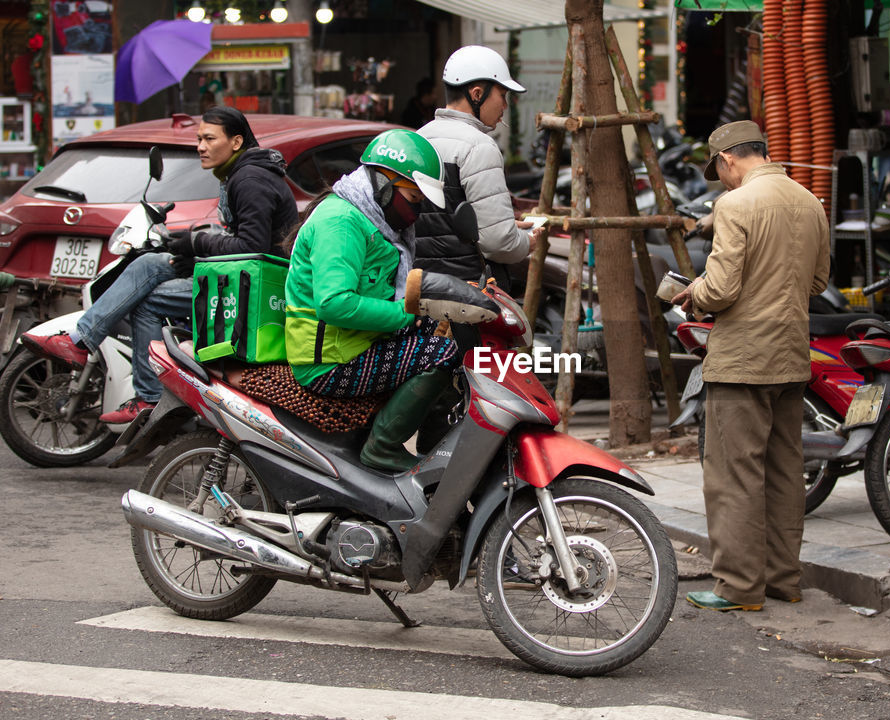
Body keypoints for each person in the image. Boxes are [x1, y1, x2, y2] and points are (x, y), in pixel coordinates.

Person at [22, 107, 297, 423]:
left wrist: (197, 244)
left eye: (209, 139)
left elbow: (251, 247)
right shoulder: (237, 174)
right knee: (151, 263)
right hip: (239, 275)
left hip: (256, 291)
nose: (200, 147)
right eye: (199, 139)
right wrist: (189, 247)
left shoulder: (249, 179)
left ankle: (147, 396)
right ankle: (82, 341)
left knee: (147, 302)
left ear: (236, 142)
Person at [671, 121, 829, 612]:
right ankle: (784, 578)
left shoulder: (734, 205)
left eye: (718, 169)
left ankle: (739, 587)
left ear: (727, 159)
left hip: (741, 359)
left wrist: (691, 293)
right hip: (790, 354)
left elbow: (719, 290)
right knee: (785, 470)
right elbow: (819, 281)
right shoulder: (809, 202)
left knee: (733, 475)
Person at [283, 129, 460, 473]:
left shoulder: (373, 222)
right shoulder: (342, 222)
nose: (416, 211)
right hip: (330, 361)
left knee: (451, 341)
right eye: (414, 199)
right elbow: (334, 303)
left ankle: (439, 458)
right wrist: (407, 317)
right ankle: (383, 449)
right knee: (440, 354)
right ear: (383, 184)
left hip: (354, 344)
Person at [415, 45, 533, 291]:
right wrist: (528, 241)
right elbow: (500, 242)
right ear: (477, 93)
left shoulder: (419, 138)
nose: (505, 106)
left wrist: (506, 225)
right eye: (502, 95)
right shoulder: (478, 146)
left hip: (420, 287)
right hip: (469, 295)